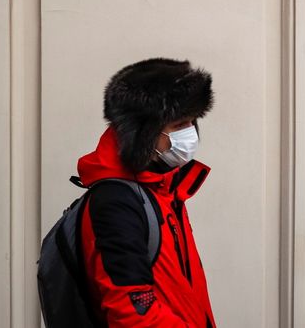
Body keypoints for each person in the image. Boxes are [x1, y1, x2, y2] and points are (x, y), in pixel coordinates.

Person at [76, 58, 217, 327]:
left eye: (191, 122)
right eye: (178, 125)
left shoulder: (164, 190)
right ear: (143, 133)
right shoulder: (116, 202)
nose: (190, 134)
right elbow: (130, 309)